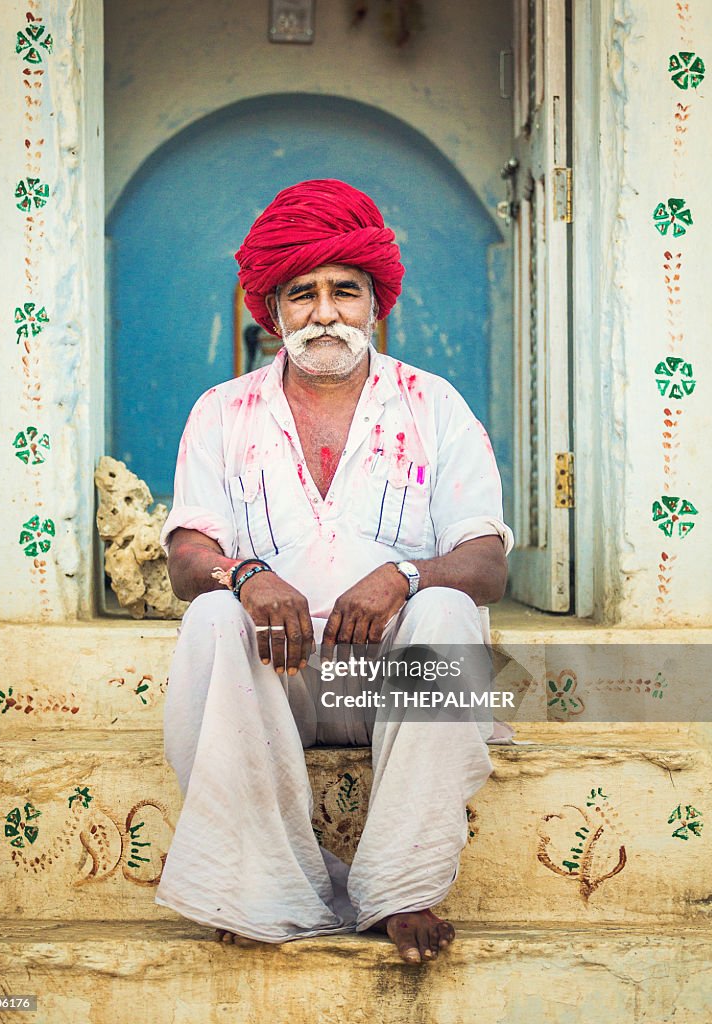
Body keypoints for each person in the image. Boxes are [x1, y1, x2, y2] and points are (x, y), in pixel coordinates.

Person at [154, 179, 515, 965]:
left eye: (345, 291)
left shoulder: (433, 404)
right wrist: (245, 573)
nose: (325, 313)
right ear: (273, 311)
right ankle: (255, 885)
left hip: (390, 680)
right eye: (302, 293)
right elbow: (187, 558)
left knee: (450, 612)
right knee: (212, 615)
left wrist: (406, 577)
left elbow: (486, 562)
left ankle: (400, 889)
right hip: (279, 687)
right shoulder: (222, 410)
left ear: (375, 303)